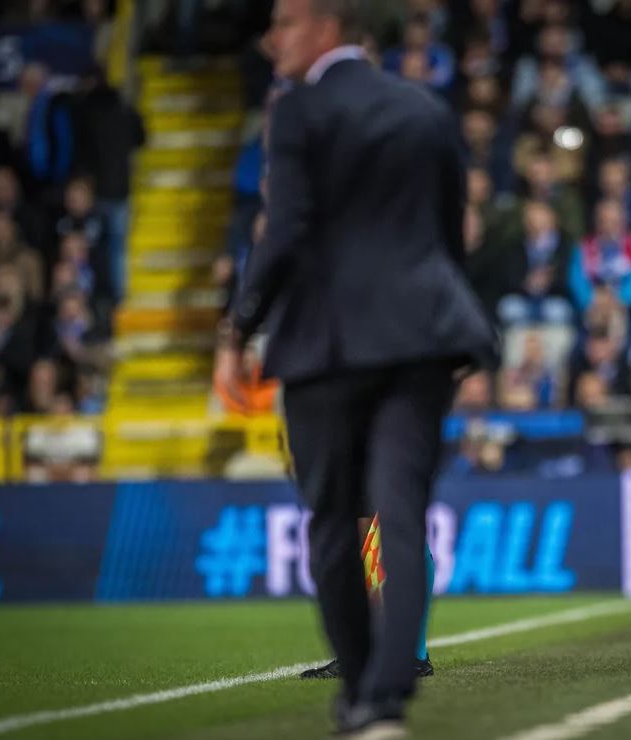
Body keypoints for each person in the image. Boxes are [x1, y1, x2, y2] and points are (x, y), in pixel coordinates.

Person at [213, 0, 496, 735]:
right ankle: (390, 687)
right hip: (420, 339)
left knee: (335, 521)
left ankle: (361, 689)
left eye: (285, 23)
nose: (271, 39)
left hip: (328, 344)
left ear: (327, 25)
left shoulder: (298, 110)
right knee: (399, 513)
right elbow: (447, 233)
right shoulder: (424, 108)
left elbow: (285, 230)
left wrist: (238, 328)